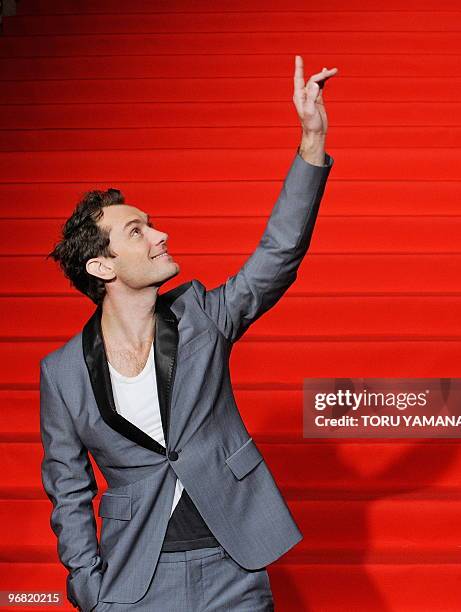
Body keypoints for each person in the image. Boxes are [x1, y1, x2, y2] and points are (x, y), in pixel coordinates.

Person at [39, 55, 337, 611]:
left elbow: (279, 255)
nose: (159, 234)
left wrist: (311, 141)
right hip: (136, 579)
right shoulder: (62, 373)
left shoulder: (202, 316)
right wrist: (86, 583)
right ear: (103, 267)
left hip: (234, 560)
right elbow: (67, 483)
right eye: (137, 230)